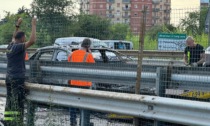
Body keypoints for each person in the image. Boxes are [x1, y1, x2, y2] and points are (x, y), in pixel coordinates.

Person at [4, 17, 36, 126]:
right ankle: (17, 122)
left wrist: (17, 25)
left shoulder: (10, 45)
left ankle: (8, 121)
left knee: (10, 100)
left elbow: (14, 36)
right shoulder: (18, 47)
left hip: (9, 78)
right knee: (18, 102)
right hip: (17, 79)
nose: (25, 39)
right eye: (24, 38)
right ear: (22, 39)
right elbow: (32, 41)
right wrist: (34, 25)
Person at [67, 38, 95, 126]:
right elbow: (94, 68)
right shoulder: (88, 55)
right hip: (85, 84)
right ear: (88, 46)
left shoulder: (72, 54)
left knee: (72, 104)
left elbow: (68, 65)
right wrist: (90, 53)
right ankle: (83, 122)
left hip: (73, 83)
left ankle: (73, 121)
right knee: (84, 104)